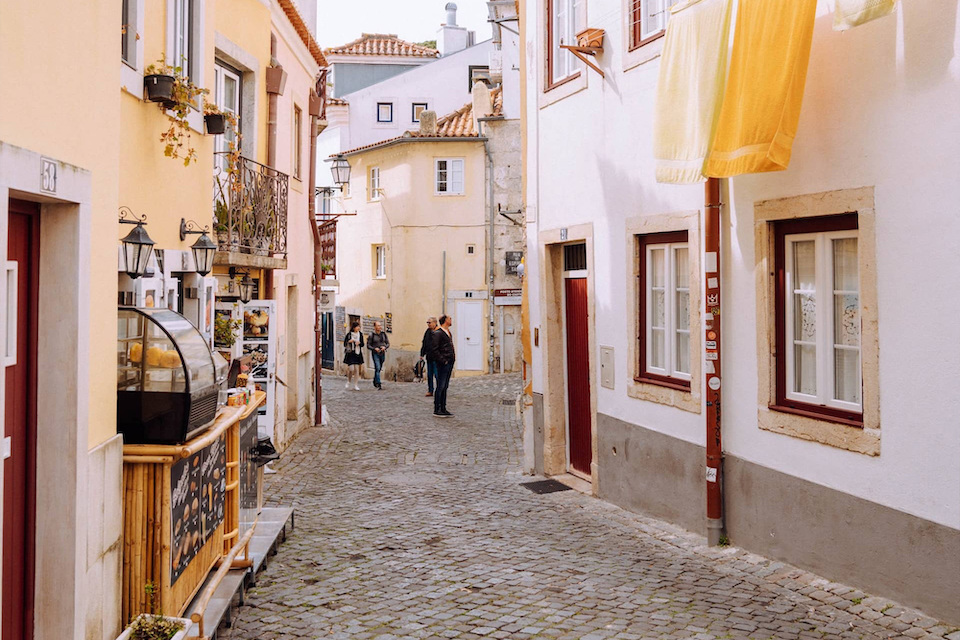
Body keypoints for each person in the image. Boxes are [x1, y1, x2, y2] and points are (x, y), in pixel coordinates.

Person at [431, 314, 455, 417]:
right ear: (445, 321)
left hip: (449, 362)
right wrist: (442, 360)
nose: (451, 320)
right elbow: (434, 349)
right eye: (450, 318)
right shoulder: (438, 333)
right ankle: (437, 408)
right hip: (443, 363)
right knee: (440, 385)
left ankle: (443, 407)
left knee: (445, 386)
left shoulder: (448, 332)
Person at [367, 321, 390, 390]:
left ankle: (375, 380)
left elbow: (388, 343)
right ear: (375, 327)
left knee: (379, 368)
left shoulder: (383, 334)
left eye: (380, 325)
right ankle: (378, 383)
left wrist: (384, 347)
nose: (380, 327)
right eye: (378, 326)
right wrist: (374, 348)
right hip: (375, 353)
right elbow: (368, 345)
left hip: (382, 353)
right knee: (377, 367)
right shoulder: (372, 335)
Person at [420, 316, 439, 397]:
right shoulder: (428, 331)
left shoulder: (438, 332)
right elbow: (424, 342)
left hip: (437, 358)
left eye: (429, 322)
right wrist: (422, 354)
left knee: (437, 375)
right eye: (427, 322)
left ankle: (439, 390)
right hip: (429, 357)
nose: (428, 324)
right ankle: (430, 390)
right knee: (429, 375)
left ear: (435, 323)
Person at [343, 322, 364, 390]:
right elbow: (344, 344)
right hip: (350, 353)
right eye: (357, 326)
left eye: (359, 326)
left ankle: (356, 384)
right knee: (351, 369)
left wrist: (359, 343)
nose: (359, 328)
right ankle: (349, 381)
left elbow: (363, 344)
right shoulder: (349, 334)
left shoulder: (360, 334)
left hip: (357, 353)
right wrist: (349, 341)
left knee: (356, 369)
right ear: (354, 327)